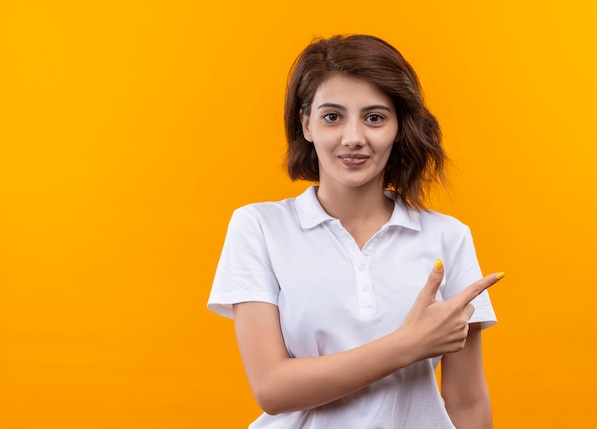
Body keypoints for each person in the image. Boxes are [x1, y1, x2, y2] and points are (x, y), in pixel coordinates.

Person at [208, 34, 505, 428]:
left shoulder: (447, 237)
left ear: (399, 127)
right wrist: (407, 346)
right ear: (306, 124)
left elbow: (466, 401)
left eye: (375, 117)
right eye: (333, 116)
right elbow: (272, 388)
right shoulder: (260, 227)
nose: (353, 138)